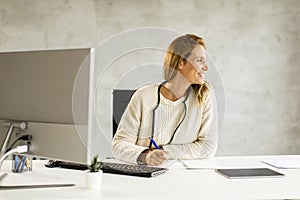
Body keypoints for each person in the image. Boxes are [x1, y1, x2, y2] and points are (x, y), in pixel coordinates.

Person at [112, 34, 218, 166]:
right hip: (144, 176)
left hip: (183, 176)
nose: (206, 67)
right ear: (181, 63)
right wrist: (146, 156)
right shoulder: (143, 96)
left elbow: (207, 147)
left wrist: (162, 151)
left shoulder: (204, 95)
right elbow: (119, 145)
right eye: (199, 60)